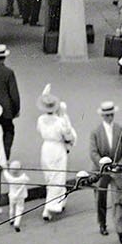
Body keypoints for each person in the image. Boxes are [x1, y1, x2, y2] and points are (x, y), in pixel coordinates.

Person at [88, 101, 122, 244]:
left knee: (118, 200)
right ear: (102, 116)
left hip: (116, 171)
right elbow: (93, 152)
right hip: (101, 171)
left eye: (111, 115)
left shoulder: (120, 130)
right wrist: (102, 163)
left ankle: (120, 231)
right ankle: (102, 223)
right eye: (106, 115)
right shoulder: (95, 132)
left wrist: (120, 164)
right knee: (101, 197)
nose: (109, 117)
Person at [35, 90, 77, 221]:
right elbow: (67, 135)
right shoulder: (60, 122)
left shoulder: (41, 120)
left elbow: (39, 130)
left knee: (49, 177)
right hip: (57, 149)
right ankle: (48, 208)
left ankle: (60, 200)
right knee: (57, 177)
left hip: (46, 148)